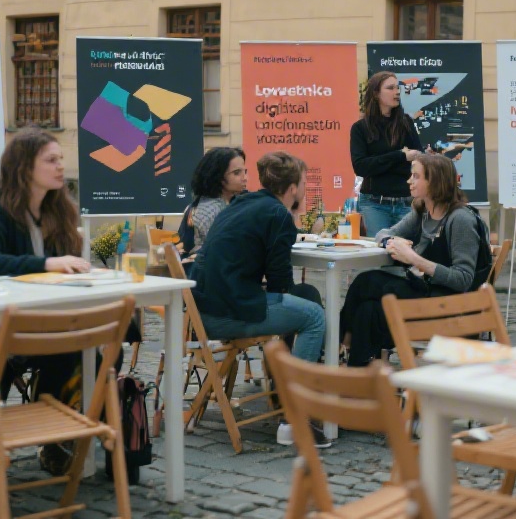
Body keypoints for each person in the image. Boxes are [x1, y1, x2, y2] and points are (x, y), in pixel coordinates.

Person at [0, 127, 97, 475]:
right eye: (51, 160)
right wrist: (46, 264)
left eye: (60, 160)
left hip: (50, 319)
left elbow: (65, 267)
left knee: (91, 345)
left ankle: (57, 431)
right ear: (25, 168)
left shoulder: (60, 210)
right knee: (72, 347)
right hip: (7, 320)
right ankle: (51, 435)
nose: (60, 167)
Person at [190, 151, 330, 448]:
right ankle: (297, 416)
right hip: (226, 313)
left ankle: (288, 403)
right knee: (314, 316)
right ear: (293, 188)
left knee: (306, 302)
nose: (304, 188)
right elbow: (281, 284)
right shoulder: (278, 215)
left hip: (204, 307)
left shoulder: (244, 202)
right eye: (303, 182)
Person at [340, 153, 488, 367]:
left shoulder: (460, 219)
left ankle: (343, 349)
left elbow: (463, 279)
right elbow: (383, 233)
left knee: (369, 284)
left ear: (435, 180)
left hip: (448, 303)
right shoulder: (423, 212)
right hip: (425, 288)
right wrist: (391, 242)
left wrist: (413, 259)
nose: (409, 181)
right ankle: (356, 370)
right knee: (367, 306)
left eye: (416, 176)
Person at [351, 71, 423, 236]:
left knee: (406, 254)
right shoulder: (360, 128)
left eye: (397, 88)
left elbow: (418, 158)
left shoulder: (406, 123)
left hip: (405, 202)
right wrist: (400, 156)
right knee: (379, 254)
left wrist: (379, 163)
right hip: (374, 204)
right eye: (390, 88)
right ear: (376, 93)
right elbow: (361, 167)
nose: (397, 92)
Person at [183, 146, 248, 259]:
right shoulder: (209, 208)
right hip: (208, 273)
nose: (245, 178)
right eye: (237, 173)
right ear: (218, 176)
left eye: (244, 172)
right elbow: (223, 251)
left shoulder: (231, 202)